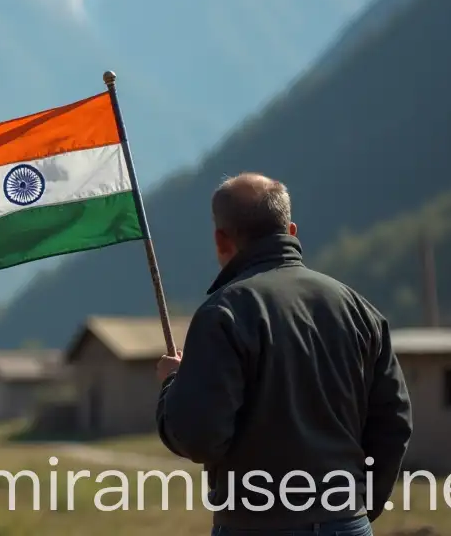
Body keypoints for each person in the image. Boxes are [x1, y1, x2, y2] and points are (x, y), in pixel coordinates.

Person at [155, 173, 413, 536]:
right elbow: (395, 420)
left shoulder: (224, 313)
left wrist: (172, 384)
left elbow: (197, 435)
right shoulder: (358, 310)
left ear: (220, 239)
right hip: (347, 523)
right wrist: (355, 509)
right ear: (291, 230)